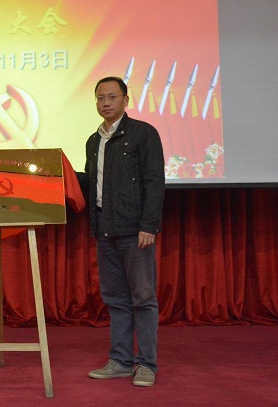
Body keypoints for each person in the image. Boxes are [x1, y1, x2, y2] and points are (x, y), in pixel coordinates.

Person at [79, 76, 165, 387]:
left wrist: (148, 225)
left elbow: (154, 182)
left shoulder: (143, 133)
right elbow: (91, 183)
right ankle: (121, 361)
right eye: (100, 97)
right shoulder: (94, 140)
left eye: (112, 97)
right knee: (115, 298)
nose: (106, 103)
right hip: (105, 227)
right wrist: (56, 174)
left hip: (134, 229)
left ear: (126, 100)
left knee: (143, 297)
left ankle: (146, 364)